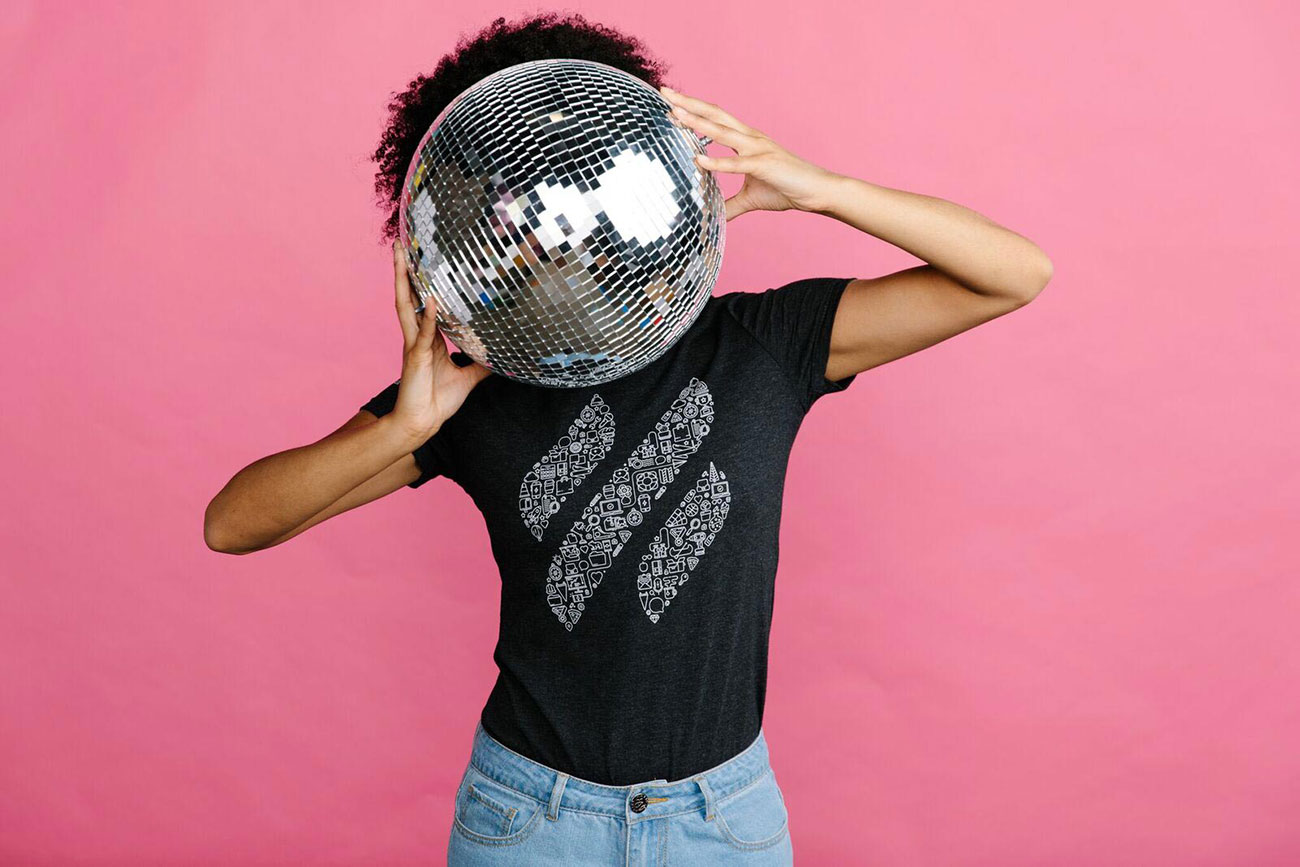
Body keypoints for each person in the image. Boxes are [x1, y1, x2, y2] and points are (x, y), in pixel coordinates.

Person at [203, 12, 1053, 866]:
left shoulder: (763, 344)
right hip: (529, 820)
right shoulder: (464, 393)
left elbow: (1014, 275)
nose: (559, 243)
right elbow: (233, 523)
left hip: (724, 823)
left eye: (584, 203)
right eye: (522, 222)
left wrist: (821, 189)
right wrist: (405, 427)